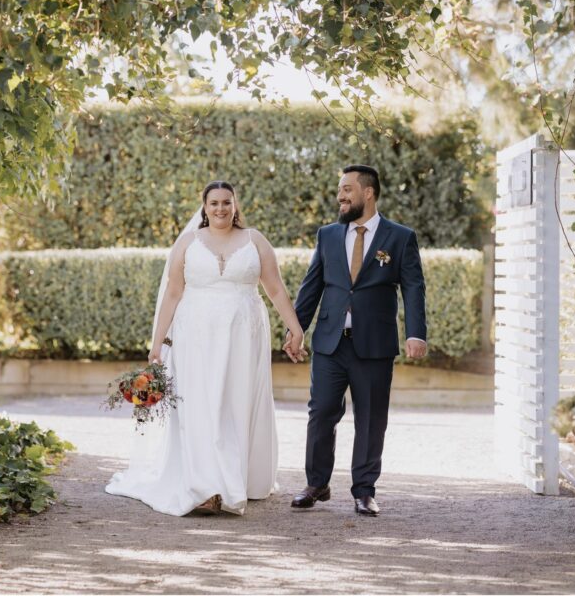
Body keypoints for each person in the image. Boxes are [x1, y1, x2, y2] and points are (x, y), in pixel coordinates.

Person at [105, 181, 306, 516]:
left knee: (236, 402)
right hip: (195, 337)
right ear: (204, 206)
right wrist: (157, 345)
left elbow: (275, 289)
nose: (221, 209)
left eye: (227, 203)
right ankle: (204, 485)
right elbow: (172, 294)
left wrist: (295, 327)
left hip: (244, 337)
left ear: (236, 205)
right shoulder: (188, 243)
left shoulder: (255, 241)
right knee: (199, 404)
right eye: (214, 203)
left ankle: (235, 478)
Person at [284, 165, 427, 517]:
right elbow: (312, 286)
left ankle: (364, 491)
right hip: (330, 342)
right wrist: (296, 328)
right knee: (320, 413)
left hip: (374, 344)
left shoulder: (399, 237)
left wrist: (415, 332)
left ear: (368, 192)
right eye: (339, 190)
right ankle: (316, 484)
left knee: (371, 417)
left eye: (347, 189)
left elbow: (413, 286)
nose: (340, 196)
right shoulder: (328, 235)